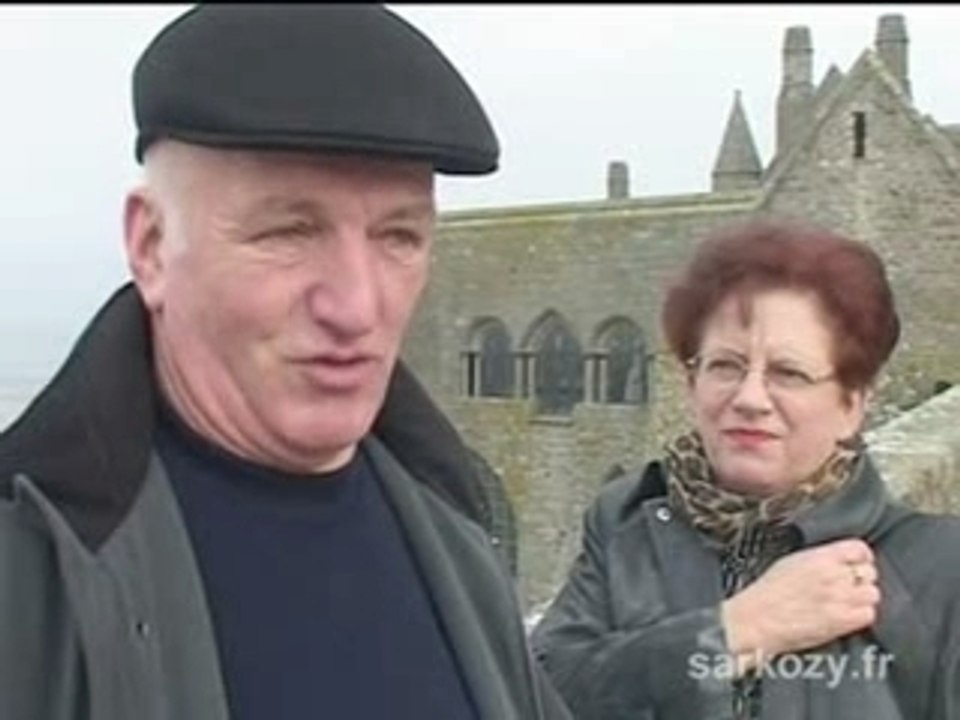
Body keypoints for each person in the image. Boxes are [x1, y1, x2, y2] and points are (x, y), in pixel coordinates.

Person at [0, 6, 571, 720]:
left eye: (399, 236)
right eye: (290, 231)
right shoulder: (30, 577)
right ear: (150, 246)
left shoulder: (454, 523)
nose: (358, 306)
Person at [532, 219, 960, 719]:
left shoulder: (939, 570)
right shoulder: (627, 525)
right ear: (692, 381)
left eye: (789, 373)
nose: (750, 398)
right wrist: (735, 632)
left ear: (854, 402)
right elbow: (531, 694)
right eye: (726, 366)